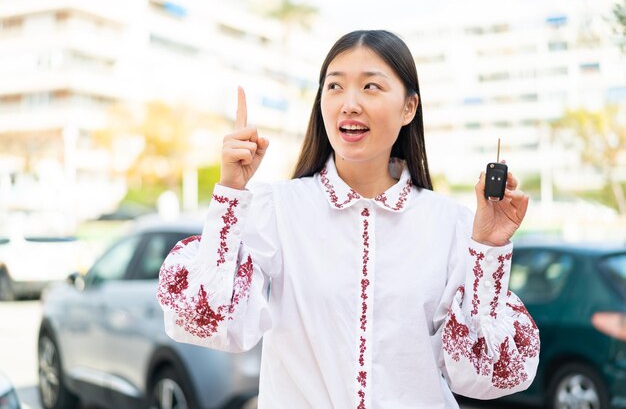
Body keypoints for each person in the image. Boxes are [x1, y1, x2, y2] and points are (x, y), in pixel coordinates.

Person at [157, 30, 539, 408]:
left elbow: (484, 376)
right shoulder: (276, 209)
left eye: (371, 87)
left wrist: (489, 247)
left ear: (409, 107)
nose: (349, 104)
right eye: (335, 87)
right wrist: (230, 194)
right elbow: (205, 323)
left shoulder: (450, 223)